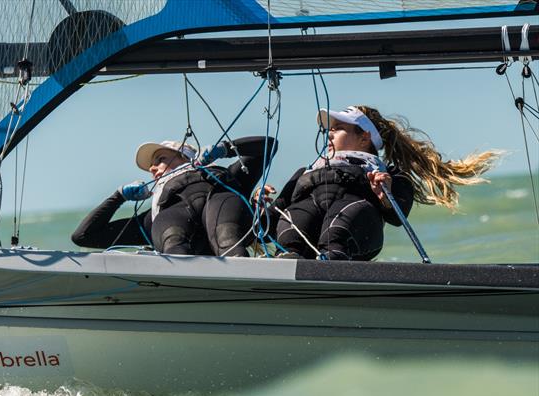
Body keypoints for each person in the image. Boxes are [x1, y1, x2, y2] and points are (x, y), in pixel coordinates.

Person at [256, 105, 497, 260]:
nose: (329, 134)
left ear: (364, 137)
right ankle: (288, 258)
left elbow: (398, 216)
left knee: (343, 220)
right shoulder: (304, 172)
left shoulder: (388, 174)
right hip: (297, 254)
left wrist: (385, 196)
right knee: (293, 217)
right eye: (330, 129)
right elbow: (266, 227)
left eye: (338, 129)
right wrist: (260, 205)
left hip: (354, 241)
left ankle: (334, 259)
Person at [71, 136, 277, 256]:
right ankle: (181, 274)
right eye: (151, 167)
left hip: (223, 205)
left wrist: (225, 149)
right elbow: (83, 236)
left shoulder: (227, 178)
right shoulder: (152, 218)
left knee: (227, 235)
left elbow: (269, 145)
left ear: (186, 157)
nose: (152, 168)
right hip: (172, 222)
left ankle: (242, 270)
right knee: (171, 236)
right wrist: (118, 196)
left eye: (160, 159)